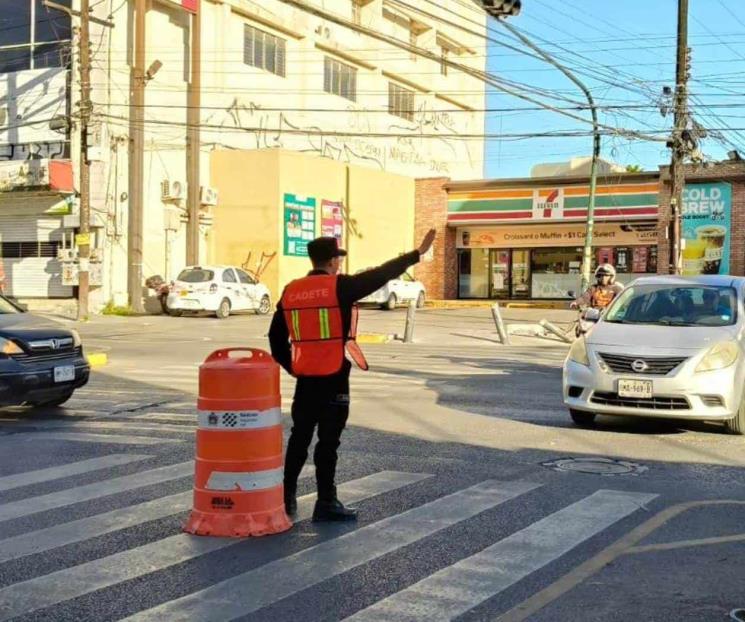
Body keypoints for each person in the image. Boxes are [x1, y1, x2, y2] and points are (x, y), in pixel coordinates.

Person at [269, 229, 437, 522]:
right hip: (334, 376)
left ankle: (286, 496)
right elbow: (381, 274)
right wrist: (416, 253)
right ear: (333, 261)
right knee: (328, 442)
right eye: (339, 259)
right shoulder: (340, 287)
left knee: (300, 436)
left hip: (306, 377)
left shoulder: (291, 290)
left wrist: (294, 367)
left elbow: (275, 338)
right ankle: (326, 501)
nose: (340, 264)